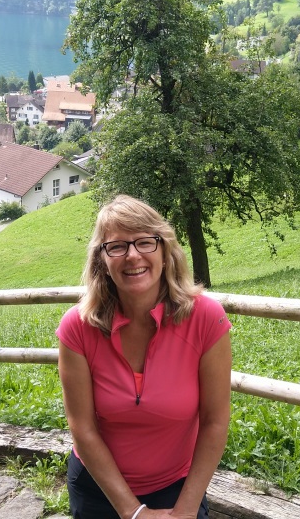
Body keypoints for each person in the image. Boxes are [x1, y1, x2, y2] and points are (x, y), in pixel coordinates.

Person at [57, 195, 233, 519]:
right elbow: (82, 428)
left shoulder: (206, 318)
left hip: (177, 488)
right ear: (102, 261)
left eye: (145, 242)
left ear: (165, 251)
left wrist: (186, 511)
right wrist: (133, 512)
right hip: (99, 489)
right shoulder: (78, 327)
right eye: (117, 246)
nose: (133, 255)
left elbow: (215, 422)